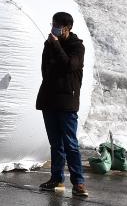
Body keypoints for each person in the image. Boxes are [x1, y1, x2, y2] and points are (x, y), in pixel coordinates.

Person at [36, 11, 88, 197]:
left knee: (70, 144)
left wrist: (57, 46)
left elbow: (69, 66)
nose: (54, 28)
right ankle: (56, 179)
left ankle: (79, 183)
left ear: (67, 28)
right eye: (53, 24)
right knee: (55, 143)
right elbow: (45, 69)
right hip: (50, 99)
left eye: (58, 25)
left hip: (67, 101)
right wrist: (53, 46)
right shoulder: (49, 45)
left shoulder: (77, 47)